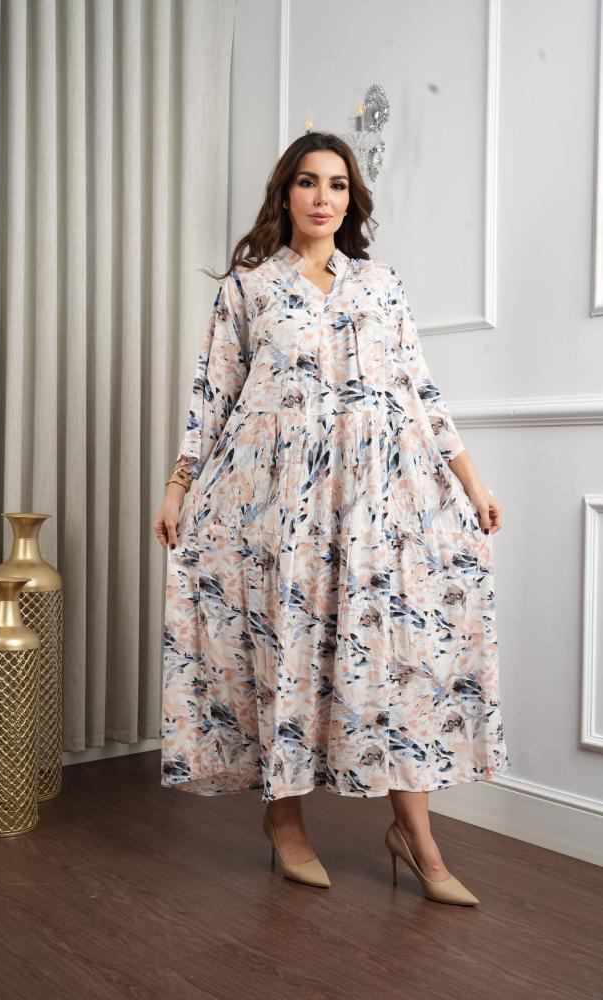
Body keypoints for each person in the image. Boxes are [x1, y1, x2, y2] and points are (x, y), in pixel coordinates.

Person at [154, 131, 511, 906]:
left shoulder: (379, 285)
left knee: (389, 659)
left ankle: (415, 836)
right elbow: (212, 397)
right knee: (280, 649)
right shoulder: (248, 289)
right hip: (274, 503)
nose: (324, 197)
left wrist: (471, 481)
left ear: (352, 200)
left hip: (374, 504)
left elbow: (420, 390)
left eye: (338, 184)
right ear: (285, 194)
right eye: (309, 182)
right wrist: (179, 486)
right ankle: (284, 821)